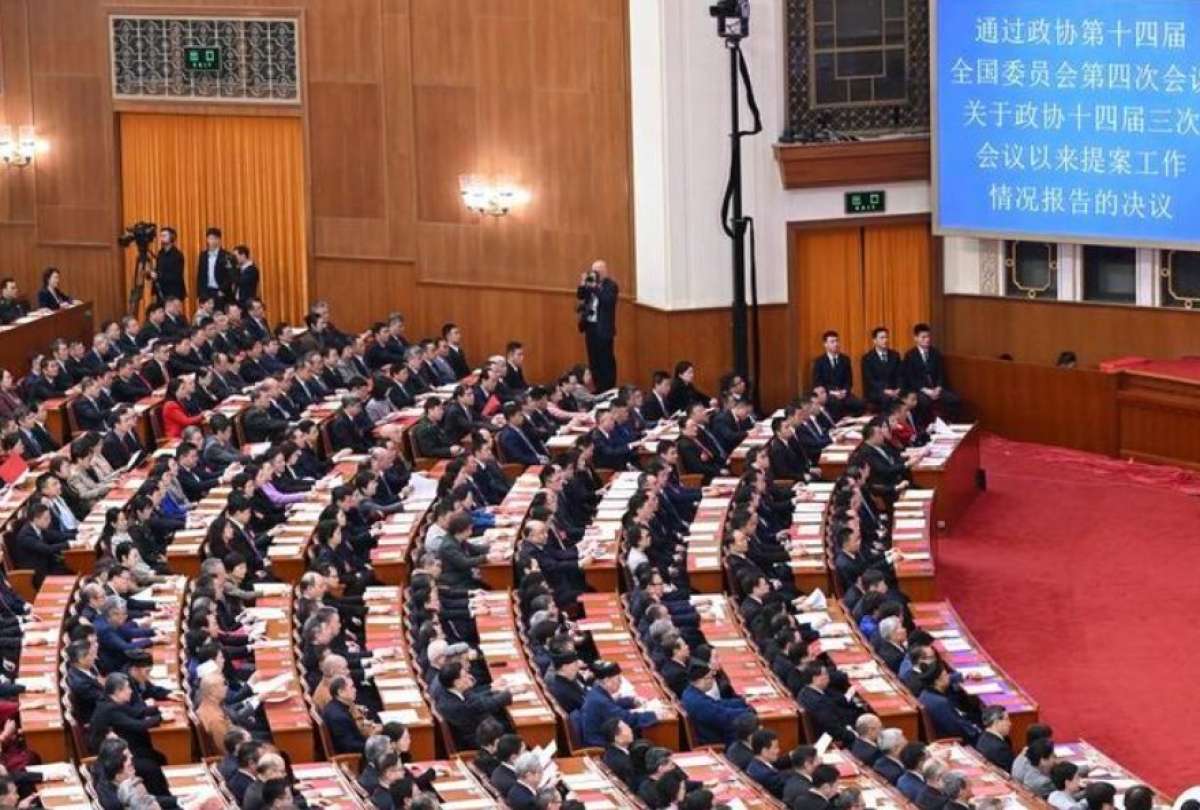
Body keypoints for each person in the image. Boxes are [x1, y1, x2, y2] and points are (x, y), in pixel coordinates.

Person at [580, 660, 660, 747]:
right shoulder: (600, 701)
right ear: (607, 680)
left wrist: (631, 701)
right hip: (602, 744)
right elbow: (627, 719)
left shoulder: (596, 690)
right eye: (618, 679)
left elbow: (612, 704)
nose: (620, 682)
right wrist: (655, 714)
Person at [679, 664, 751, 746]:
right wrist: (748, 711)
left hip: (712, 728)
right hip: (716, 737)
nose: (712, 681)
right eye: (710, 678)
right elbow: (724, 716)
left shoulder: (690, 692)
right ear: (699, 681)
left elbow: (717, 704)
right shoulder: (699, 702)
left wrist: (744, 702)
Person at [902, 323, 960, 422]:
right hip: (920, 390)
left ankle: (949, 424)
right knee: (924, 402)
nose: (927, 339)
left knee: (954, 400)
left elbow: (941, 373)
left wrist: (938, 387)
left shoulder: (935, 353)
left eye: (928, 336)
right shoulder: (910, 355)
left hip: (936, 389)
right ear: (916, 338)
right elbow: (911, 379)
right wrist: (926, 391)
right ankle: (926, 428)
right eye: (923, 337)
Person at [576, 259, 618, 392]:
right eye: (594, 271)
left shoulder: (611, 285)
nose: (596, 273)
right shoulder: (590, 282)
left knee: (606, 360)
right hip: (590, 327)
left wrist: (595, 287)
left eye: (599, 271)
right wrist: (583, 284)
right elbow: (580, 295)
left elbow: (607, 301)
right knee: (593, 360)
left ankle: (608, 388)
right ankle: (598, 387)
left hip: (604, 329)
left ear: (605, 271)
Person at [812, 331, 863, 419]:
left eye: (837, 341)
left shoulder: (845, 359)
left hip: (844, 393)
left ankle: (851, 423)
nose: (836, 344)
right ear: (825, 344)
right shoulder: (819, 361)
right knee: (836, 404)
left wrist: (845, 391)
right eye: (832, 342)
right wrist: (832, 392)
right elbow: (818, 382)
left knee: (860, 404)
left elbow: (849, 381)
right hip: (829, 393)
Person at [861, 326, 902, 410]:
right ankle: (886, 422)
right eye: (882, 338)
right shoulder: (867, 358)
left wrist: (898, 388)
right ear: (874, 340)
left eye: (886, 337)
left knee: (909, 396)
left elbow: (900, 375)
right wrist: (885, 390)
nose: (885, 340)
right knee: (886, 398)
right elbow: (870, 380)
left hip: (894, 389)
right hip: (876, 391)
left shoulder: (895, 355)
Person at [197, 227, 234, 306]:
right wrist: (200, 294)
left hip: (221, 292)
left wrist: (222, 290)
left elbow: (230, 276)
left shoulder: (227, 255)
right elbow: (200, 275)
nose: (212, 241)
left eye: (215, 238)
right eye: (210, 238)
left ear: (219, 240)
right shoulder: (203, 255)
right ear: (207, 240)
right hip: (207, 291)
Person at [975, 706, 1014, 772]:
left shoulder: (982, 738)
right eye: (1007, 719)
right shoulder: (1000, 749)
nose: (1010, 723)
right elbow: (1013, 770)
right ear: (996, 722)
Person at [152, 227, 186, 304]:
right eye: (161, 236)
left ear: (172, 237)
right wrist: (151, 274)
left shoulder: (177, 255)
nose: (162, 238)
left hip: (173, 292)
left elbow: (177, 275)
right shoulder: (160, 253)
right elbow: (158, 269)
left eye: (164, 236)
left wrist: (159, 275)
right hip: (160, 290)